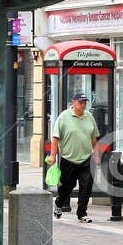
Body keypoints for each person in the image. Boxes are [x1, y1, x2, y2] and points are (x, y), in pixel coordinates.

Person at [48, 92, 99, 222]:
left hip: (86, 158)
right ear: (74, 102)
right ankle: (59, 204)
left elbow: (93, 138)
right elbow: (55, 137)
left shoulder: (89, 117)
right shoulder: (64, 117)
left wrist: (96, 154)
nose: (83, 105)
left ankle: (82, 213)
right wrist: (53, 155)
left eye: (85, 102)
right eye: (81, 102)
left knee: (86, 186)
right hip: (68, 158)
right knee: (67, 186)